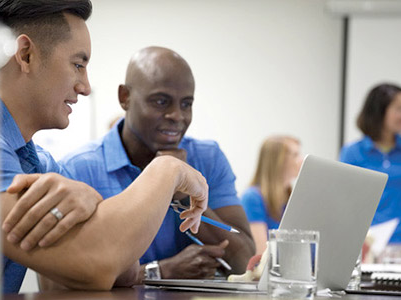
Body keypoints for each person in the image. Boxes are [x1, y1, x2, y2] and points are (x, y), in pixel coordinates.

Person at [0, 0, 208, 293]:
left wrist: (89, 198)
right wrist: (167, 169)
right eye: (78, 65)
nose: (86, 86)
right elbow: (98, 264)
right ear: (25, 55)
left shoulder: (40, 164)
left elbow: (122, 267)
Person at [58, 46, 255, 282]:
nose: (177, 116)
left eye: (186, 104)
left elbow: (244, 261)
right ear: (125, 98)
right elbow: (59, 280)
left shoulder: (208, 158)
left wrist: (182, 194)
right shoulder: (79, 168)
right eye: (161, 102)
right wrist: (160, 272)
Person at [340, 83, 401, 244]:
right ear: (379, 111)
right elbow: (345, 204)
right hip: (367, 247)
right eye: (399, 109)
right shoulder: (352, 153)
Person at [241, 135, 302, 255]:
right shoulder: (252, 198)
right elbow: (261, 255)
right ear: (278, 160)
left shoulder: (292, 197)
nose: (301, 160)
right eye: (295, 155)